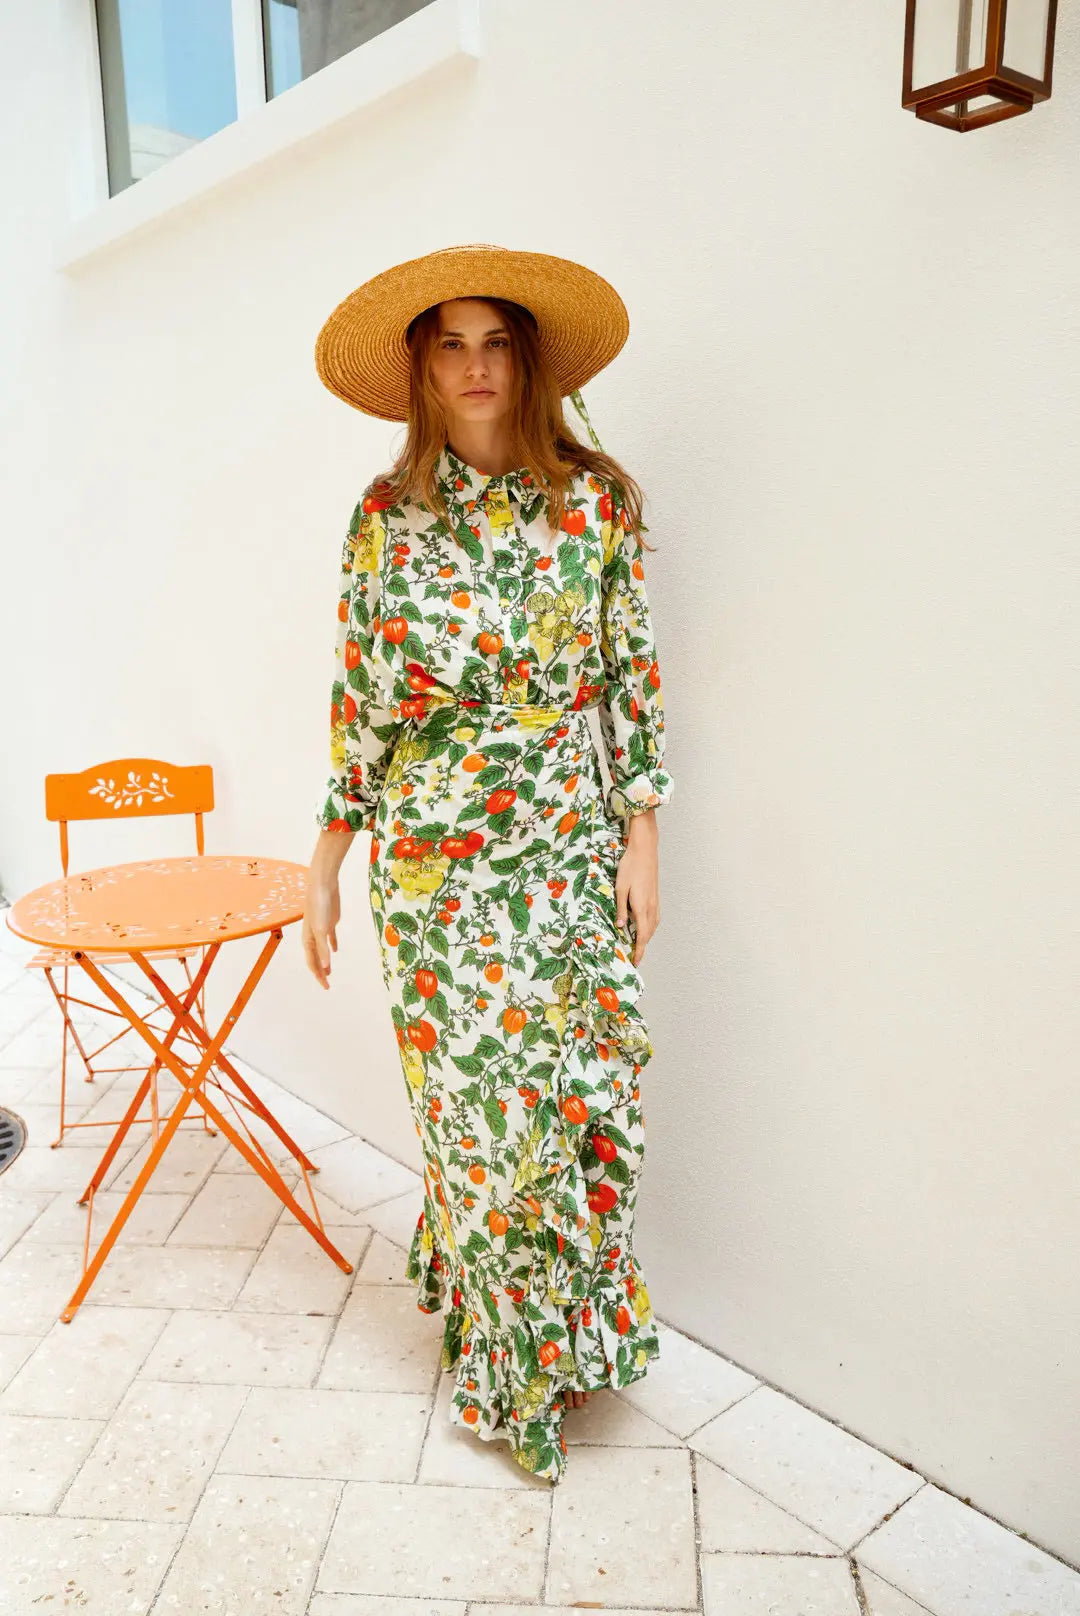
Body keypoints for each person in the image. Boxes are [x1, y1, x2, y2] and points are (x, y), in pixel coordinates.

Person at [301, 243, 674, 1482]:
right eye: (450, 344)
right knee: (477, 1128)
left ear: (528, 360)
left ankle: (566, 1341)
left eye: (495, 341)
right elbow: (363, 700)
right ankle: (505, 1360)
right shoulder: (384, 517)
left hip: (565, 848)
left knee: (573, 1106)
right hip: (430, 871)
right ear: (422, 369)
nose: (474, 366)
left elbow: (631, 679)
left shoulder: (597, 505)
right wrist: (325, 858)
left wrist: (643, 832)